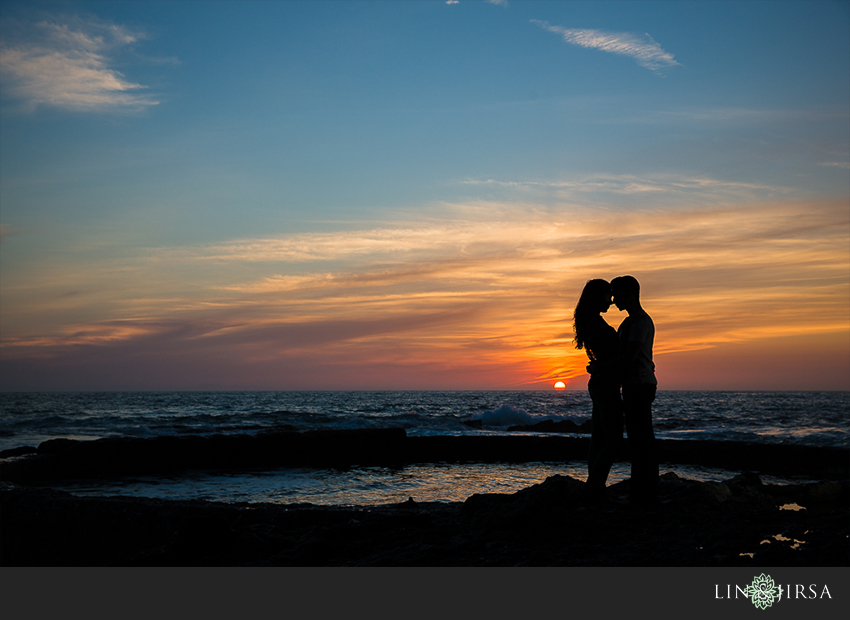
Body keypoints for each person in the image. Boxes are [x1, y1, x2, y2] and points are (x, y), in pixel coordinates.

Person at [595, 275, 659, 506]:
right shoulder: (630, 322)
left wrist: (600, 367)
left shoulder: (640, 321)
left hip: (640, 385)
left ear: (630, 294)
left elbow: (629, 357)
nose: (612, 300)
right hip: (634, 385)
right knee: (638, 439)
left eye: (617, 294)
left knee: (642, 440)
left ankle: (645, 494)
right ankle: (642, 491)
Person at [573, 279, 623, 503]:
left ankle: (595, 486)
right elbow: (612, 356)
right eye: (607, 295)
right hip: (605, 384)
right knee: (612, 441)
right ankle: (594, 487)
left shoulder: (590, 321)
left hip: (599, 383)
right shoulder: (595, 324)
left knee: (599, 439)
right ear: (597, 297)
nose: (611, 301)